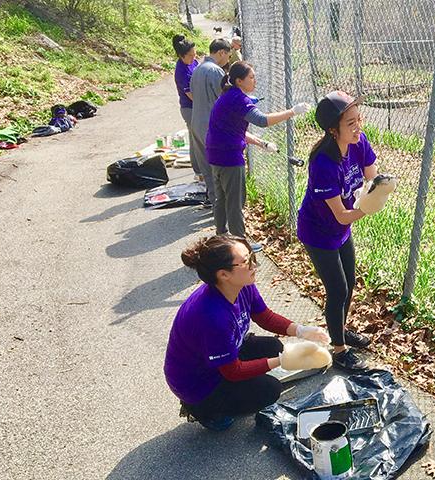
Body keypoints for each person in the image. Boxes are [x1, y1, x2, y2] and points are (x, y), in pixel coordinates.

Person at [164, 235, 333, 431]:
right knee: (269, 390)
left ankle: (235, 394)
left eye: (251, 256)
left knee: (274, 347)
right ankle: (203, 411)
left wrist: (302, 330)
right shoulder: (212, 316)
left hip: (222, 355)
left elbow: (264, 316)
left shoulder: (241, 285)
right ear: (223, 274)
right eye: (245, 261)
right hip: (198, 383)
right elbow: (233, 372)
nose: (254, 264)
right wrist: (283, 361)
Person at [297, 90, 397, 371]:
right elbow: (341, 215)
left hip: (341, 229)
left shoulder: (358, 142)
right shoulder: (323, 163)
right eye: (350, 123)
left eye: (358, 119)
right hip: (318, 231)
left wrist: (379, 188)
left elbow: (372, 177)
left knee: (350, 281)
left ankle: (340, 329)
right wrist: (370, 206)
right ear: (332, 129)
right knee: (337, 289)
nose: (358, 127)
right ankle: (339, 349)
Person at [206, 62, 311, 253]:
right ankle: (241, 246)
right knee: (235, 201)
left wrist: (261, 143)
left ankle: (221, 238)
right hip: (229, 157)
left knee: (221, 199)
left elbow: (234, 131)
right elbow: (262, 121)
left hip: (215, 154)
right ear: (239, 81)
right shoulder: (238, 99)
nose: (255, 80)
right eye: (251, 77)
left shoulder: (227, 97)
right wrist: (292, 112)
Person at [190, 38, 233, 207]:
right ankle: (220, 204)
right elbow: (224, 99)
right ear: (221, 52)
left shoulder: (197, 69)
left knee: (205, 166)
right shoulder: (215, 71)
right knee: (218, 165)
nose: (228, 60)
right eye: (228, 56)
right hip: (211, 125)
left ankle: (212, 198)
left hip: (196, 123)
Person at [172, 34, 200, 179]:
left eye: (195, 54)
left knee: (200, 138)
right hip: (190, 109)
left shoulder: (193, 63)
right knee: (196, 140)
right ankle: (198, 171)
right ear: (182, 56)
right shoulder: (181, 72)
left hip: (197, 106)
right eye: (191, 55)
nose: (194, 57)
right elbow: (191, 96)